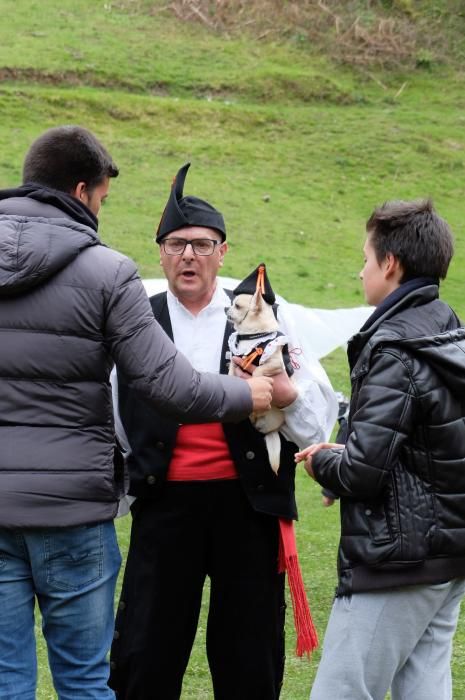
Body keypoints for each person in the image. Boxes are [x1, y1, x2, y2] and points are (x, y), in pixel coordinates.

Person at [0, 127, 273, 700]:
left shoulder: (255, 312)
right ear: (81, 191)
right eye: (101, 199)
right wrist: (249, 396)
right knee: (85, 678)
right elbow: (167, 385)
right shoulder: (106, 271)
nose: (99, 211)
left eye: (202, 244)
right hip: (72, 505)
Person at [109, 162, 338, 700]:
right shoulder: (136, 317)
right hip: (164, 507)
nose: (188, 255)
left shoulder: (264, 314)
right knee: (145, 653)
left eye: (202, 244)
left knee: (248, 656)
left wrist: (284, 394)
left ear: (223, 252)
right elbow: (112, 408)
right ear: (160, 253)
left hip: (248, 507)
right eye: (176, 244)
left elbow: (316, 416)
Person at [296, 199, 465, 700]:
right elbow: (419, 440)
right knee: (423, 691)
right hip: (446, 555)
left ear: (390, 264)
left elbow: (363, 473)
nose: (360, 269)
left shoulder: (393, 346)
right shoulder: (448, 327)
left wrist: (323, 459)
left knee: (341, 693)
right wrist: (347, 448)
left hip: (396, 561)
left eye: (366, 258)